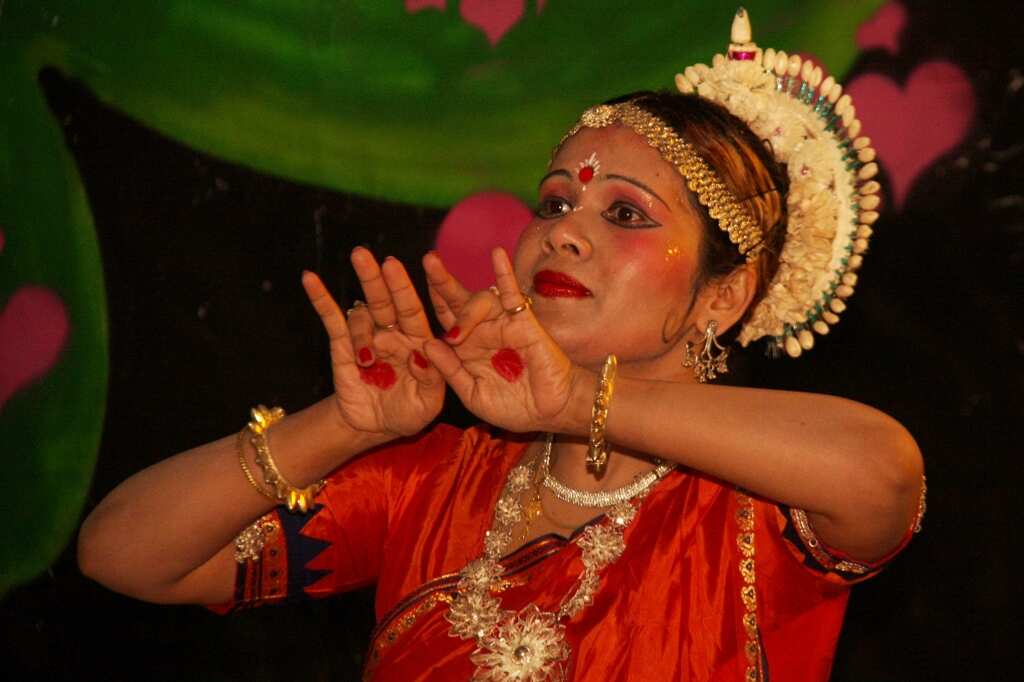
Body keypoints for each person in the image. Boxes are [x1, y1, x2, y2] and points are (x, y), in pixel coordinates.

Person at [78, 10, 925, 681]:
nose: (564, 234)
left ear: (723, 295)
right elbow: (123, 555)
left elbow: (884, 472)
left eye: (624, 214)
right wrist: (347, 425)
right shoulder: (435, 483)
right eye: (554, 204)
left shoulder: (754, 512)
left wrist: (576, 402)